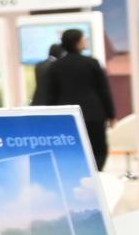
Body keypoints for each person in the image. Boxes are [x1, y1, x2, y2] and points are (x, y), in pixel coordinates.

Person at [36, 28, 115, 169]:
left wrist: (49, 117)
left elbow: (50, 95)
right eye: (84, 39)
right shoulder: (92, 63)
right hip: (93, 114)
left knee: (72, 149)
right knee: (97, 148)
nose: (85, 41)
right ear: (78, 43)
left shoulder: (56, 67)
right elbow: (103, 90)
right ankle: (97, 172)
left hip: (67, 116)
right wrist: (111, 114)